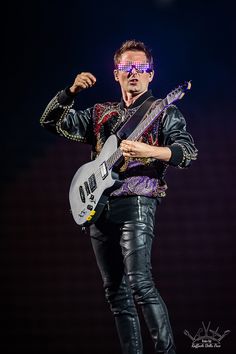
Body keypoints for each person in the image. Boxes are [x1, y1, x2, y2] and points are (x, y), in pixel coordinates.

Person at [40, 39, 198, 354]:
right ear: (116, 74)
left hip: (137, 202)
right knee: (115, 293)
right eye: (127, 68)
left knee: (140, 283)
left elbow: (187, 152)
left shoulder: (163, 110)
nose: (134, 73)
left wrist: (148, 150)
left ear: (152, 74)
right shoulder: (101, 113)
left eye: (141, 68)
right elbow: (51, 122)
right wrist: (69, 93)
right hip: (98, 207)